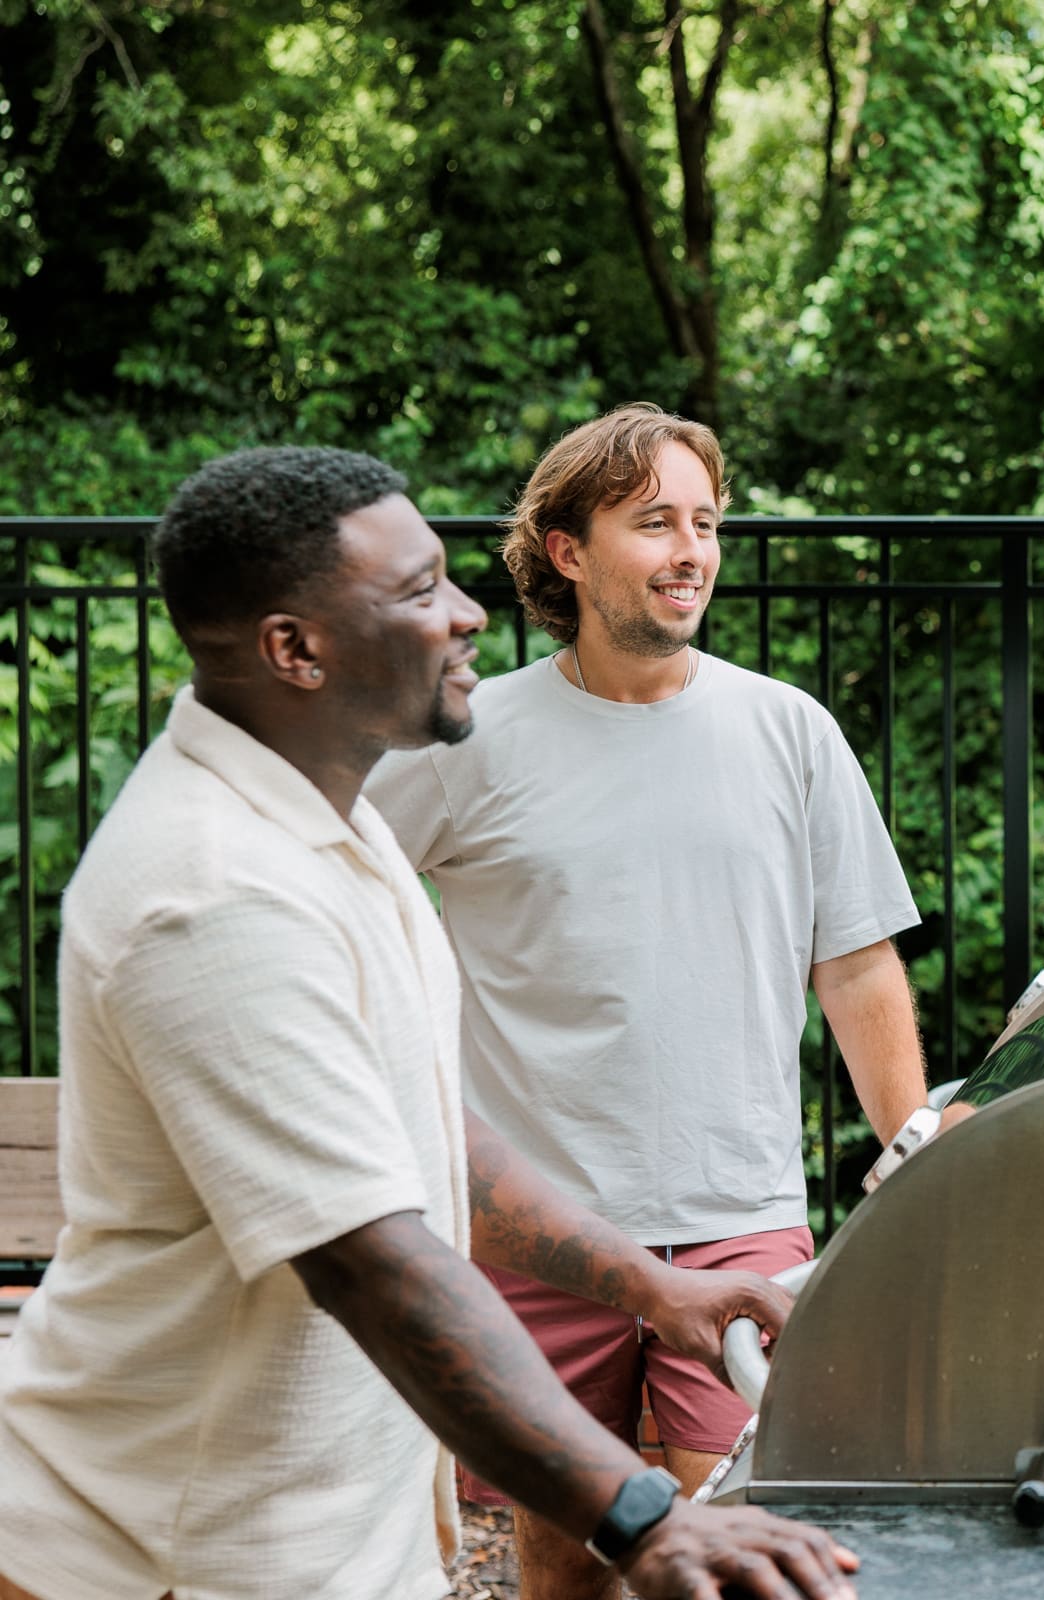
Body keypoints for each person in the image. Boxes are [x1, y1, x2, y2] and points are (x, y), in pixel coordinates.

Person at [0, 448, 861, 1600]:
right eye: (415, 593)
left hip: (328, 1539)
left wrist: (654, 1291)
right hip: (169, 1548)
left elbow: (425, 1129)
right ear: (292, 649)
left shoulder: (335, 828)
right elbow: (378, 1266)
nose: (465, 616)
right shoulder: (212, 895)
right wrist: (644, 1517)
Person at [364, 405, 930, 1600]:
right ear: (567, 549)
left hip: (741, 1215)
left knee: (737, 1549)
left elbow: (857, 964)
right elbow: (339, 893)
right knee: (565, 1549)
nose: (692, 550)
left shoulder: (790, 731)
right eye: (654, 521)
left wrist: (911, 1146)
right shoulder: (470, 738)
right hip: (543, 1231)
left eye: (707, 522)